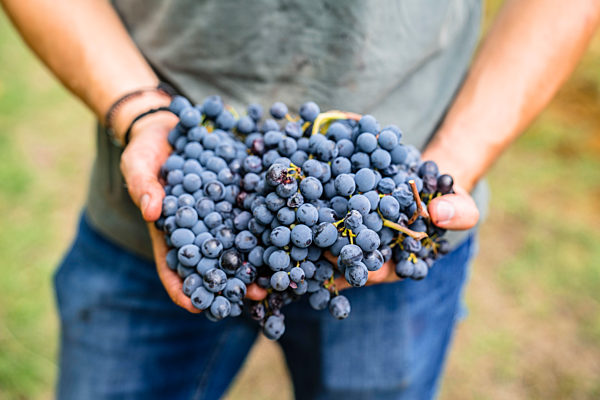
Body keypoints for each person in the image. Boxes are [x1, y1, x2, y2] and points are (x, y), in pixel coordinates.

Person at [2, 0, 599, 399]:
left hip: (397, 226)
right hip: (156, 196)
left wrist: (454, 162)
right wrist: (139, 110)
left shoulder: (366, 199)